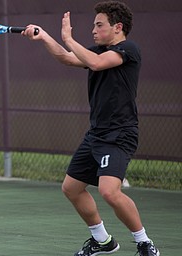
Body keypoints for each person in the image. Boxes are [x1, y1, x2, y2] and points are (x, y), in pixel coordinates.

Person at [22, 1, 160, 256]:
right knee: (71, 188)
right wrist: (46, 37)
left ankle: (144, 243)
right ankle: (102, 240)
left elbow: (96, 63)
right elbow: (66, 57)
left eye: (99, 25)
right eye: (93, 25)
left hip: (120, 134)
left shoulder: (128, 49)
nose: (94, 30)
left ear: (117, 27)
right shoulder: (96, 51)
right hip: (96, 133)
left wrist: (68, 38)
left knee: (109, 191)